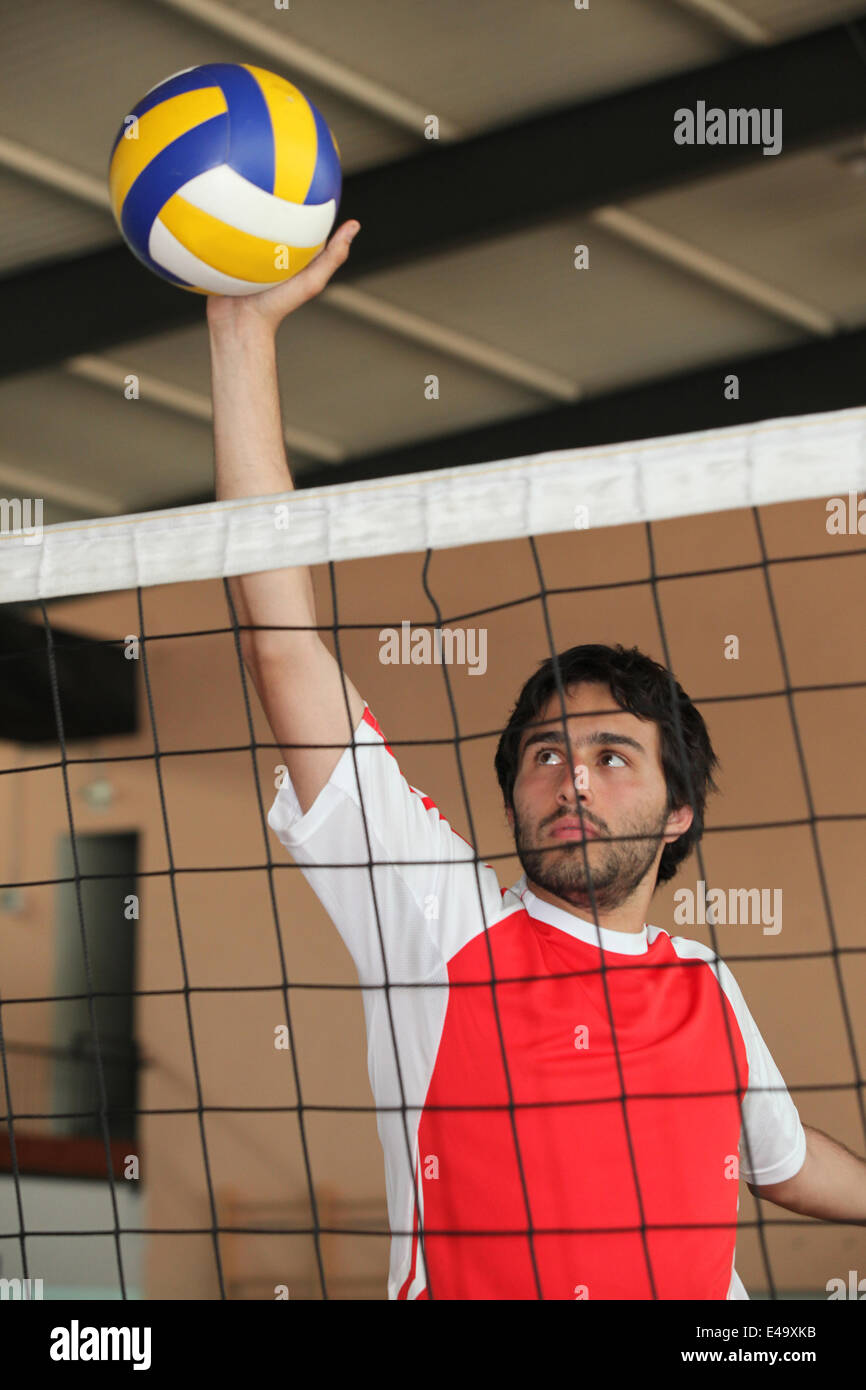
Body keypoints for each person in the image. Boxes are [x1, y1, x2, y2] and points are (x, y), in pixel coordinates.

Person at [207, 221, 866, 1300]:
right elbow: (282, 649)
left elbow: (784, 1164)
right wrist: (241, 337)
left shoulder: (704, 984)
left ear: (675, 814)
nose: (570, 776)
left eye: (612, 756)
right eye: (546, 753)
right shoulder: (435, 918)